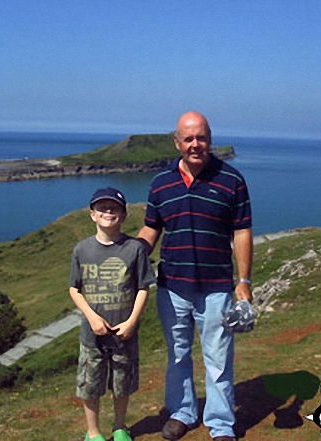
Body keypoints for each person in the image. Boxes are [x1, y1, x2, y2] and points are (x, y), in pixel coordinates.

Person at [137, 111, 253, 441]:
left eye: (201, 137)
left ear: (210, 139)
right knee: (177, 355)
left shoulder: (232, 180)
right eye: (188, 139)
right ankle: (182, 412)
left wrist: (243, 283)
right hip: (172, 286)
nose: (195, 144)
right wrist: (131, 256)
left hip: (217, 287)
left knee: (218, 359)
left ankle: (221, 424)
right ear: (177, 142)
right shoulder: (161, 183)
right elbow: (151, 228)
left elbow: (242, 232)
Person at [69, 187, 156, 441]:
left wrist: (131, 322)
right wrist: (92, 317)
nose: (108, 212)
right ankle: (93, 432)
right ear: (92, 215)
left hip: (124, 334)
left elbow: (143, 287)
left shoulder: (134, 249)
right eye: (102, 208)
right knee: (91, 386)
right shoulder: (81, 249)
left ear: (124, 215)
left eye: (114, 208)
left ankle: (119, 427)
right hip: (92, 334)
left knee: (122, 384)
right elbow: (74, 289)